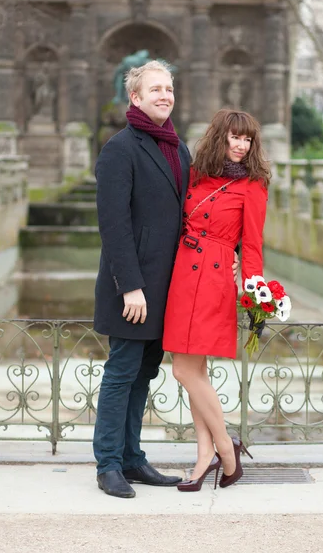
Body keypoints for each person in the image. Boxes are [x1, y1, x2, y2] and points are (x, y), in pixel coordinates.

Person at [93, 60, 190, 498]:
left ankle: (132, 458)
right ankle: (108, 464)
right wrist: (129, 285)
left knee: (145, 374)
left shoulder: (178, 148)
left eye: (168, 88)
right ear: (135, 97)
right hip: (131, 288)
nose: (164, 95)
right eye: (155, 89)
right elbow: (114, 225)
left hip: (168, 287)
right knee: (122, 372)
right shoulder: (120, 147)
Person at [163, 109, 271, 491]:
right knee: (194, 372)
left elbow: (253, 246)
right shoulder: (195, 174)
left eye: (248, 140)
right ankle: (204, 455)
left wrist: (254, 292)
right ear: (220, 137)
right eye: (235, 137)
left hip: (214, 276)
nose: (241, 146)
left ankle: (226, 450)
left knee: (183, 372)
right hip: (182, 271)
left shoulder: (254, 186)